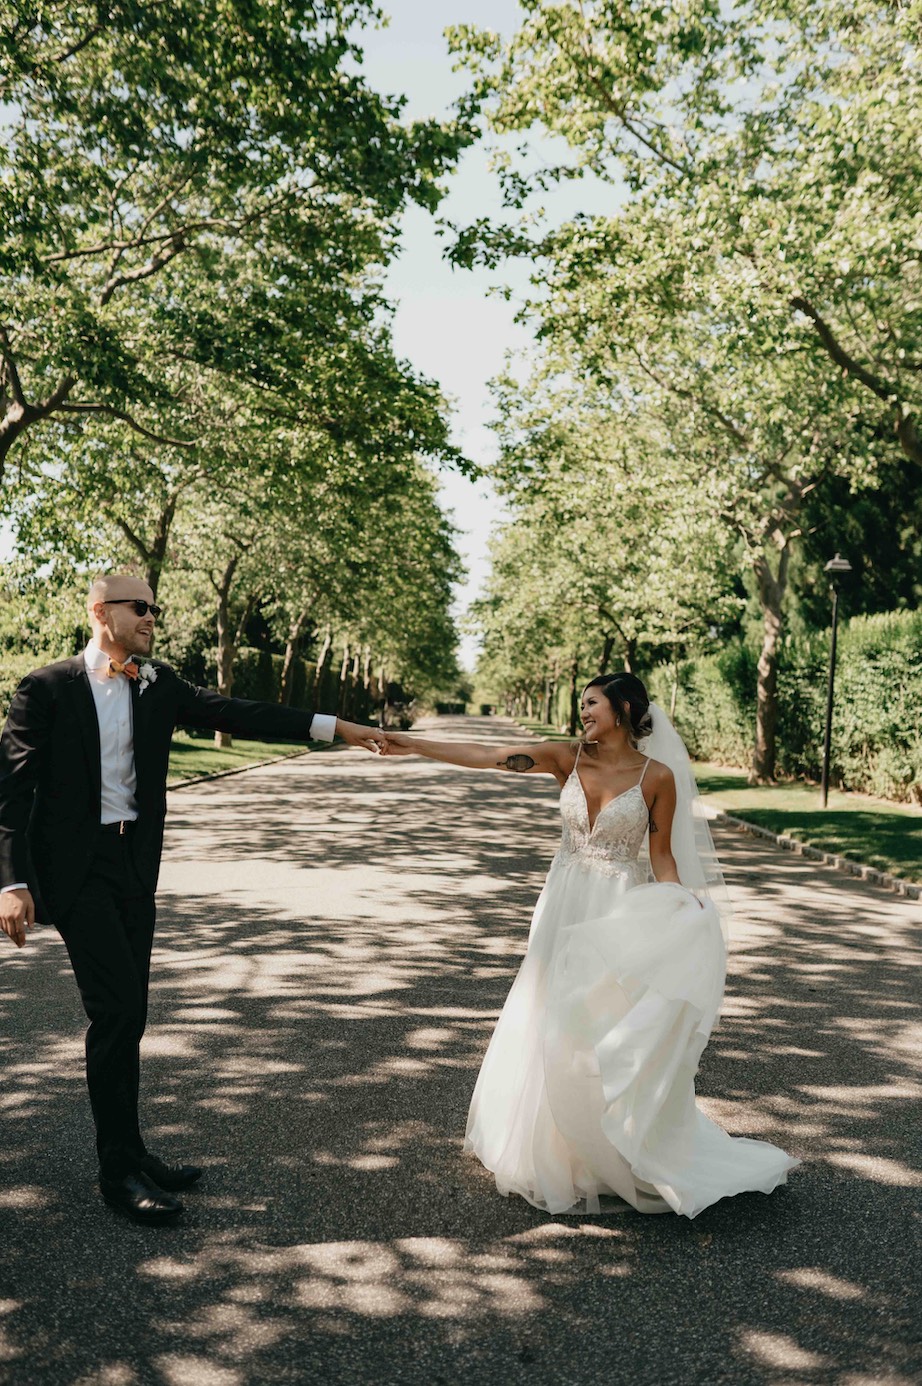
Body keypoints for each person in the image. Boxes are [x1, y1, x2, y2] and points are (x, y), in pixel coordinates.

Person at [0, 573, 386, 1225]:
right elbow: (11, 791)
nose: (153, 616)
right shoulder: (46, 687)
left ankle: (132, 1149)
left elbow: (241, 713)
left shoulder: (158, 683)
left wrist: (336, 728)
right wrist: (11, 882)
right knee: (116, 1009)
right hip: (75, 872)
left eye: (156, 607)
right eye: (140, 607)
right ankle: (118, 1174)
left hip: (132, 865)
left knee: (132, 1014)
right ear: (101, 612)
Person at [381, 673, 798, 1218]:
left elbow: (663, 857)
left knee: (599, 1023)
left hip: (619, 908)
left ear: (622, 707)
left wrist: (682, 906)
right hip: (564, 899)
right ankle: (549, 1145)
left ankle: (609, 1148)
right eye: (582, 704)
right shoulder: (565, 758)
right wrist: (411, 743)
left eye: (592, 703)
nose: (583, 712)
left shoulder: (659, 778)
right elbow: (487, 755)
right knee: (546, 1007)